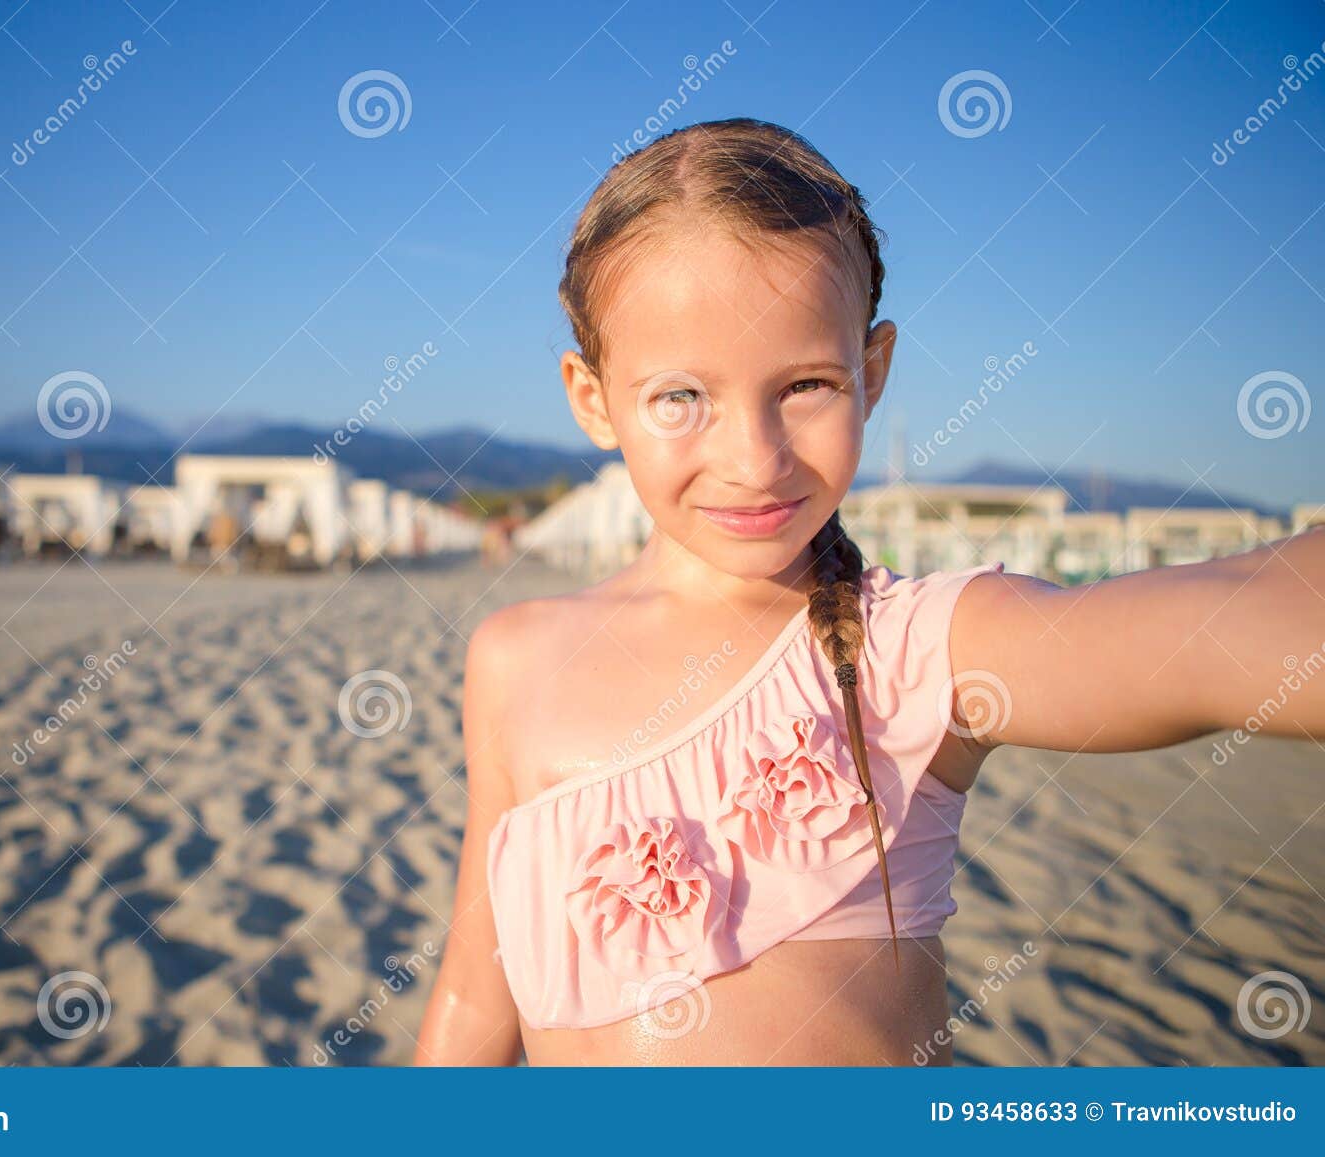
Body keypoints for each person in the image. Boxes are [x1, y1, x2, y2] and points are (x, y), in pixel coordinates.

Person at [412, 117, 1323, 1067]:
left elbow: (1227, 621)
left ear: (871, 372)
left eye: (805, 384)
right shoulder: (514, 658)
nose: (753, 460)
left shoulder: (911, 648)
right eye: (681, 397)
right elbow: (479, 992)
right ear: (593, 398)